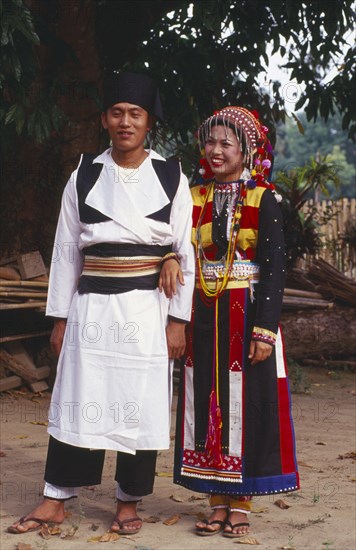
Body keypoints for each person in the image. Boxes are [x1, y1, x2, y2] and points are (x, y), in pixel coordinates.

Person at [8, 71, 195, 535]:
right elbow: (67, 249)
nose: (125, 122)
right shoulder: (84, 174)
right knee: (79, 397)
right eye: (117, 113)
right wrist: (60, 318)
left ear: (148, 121)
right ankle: (56, 497)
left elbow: (185, 250)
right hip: (91, 308)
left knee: (138, 400)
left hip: (147, 309)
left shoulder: (170, 175)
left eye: (135, 113)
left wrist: (178, 321)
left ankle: (128, 501)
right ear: (104, 119)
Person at [170, 106, 299, 537]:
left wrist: (265, 329)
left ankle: (240, 502)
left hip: (247, 314)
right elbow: (177, 247)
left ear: (246, 150)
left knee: (246, 403)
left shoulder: (265, 199)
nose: (216, 150)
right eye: (211, 142)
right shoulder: (193, 196)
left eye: (227, 143)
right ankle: (214, 498)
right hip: (203, 311)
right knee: (206, 397)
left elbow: (275, 266)